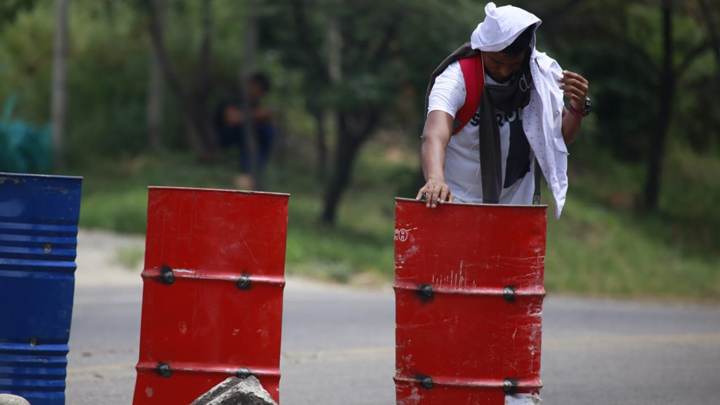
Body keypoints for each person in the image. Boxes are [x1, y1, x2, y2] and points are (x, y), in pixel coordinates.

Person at [416, 3, 590, 218]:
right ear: (483, 47)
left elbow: (560, 137)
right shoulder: (456, 78)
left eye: (514, 64)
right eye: (496, 62)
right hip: (455, 204)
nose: (504, 71)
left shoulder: (538, 76)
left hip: (515, 210)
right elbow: (434, 134)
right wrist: (435, 179)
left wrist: (577, 106)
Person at [214, 73, 276, 189]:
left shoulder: (253, 101)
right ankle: (246, 170)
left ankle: (255, 170)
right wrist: (257, 114)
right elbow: (232, 119)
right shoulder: (234, 95)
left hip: (243, 135)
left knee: (268, 131)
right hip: (224, 134)